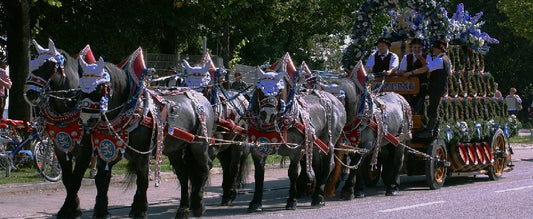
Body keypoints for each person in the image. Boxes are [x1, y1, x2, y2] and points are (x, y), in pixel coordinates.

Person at [404, 39, 451, 138]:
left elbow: (426, 69)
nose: (433, 49)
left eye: (435, 48)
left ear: (439, 49)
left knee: (433, 109)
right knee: (433, 107)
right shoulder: (446, 59)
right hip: (439, 86)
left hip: (436, 87)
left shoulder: (440, 60)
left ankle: (430, 131)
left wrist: (411, 73)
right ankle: (434, 130)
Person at [399, 38, 432, 113]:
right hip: (408, 82)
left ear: (422, 48)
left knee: (423, 90)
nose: (416, 49)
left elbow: (428, 68)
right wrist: (402, 73)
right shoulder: (406, 57)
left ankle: (416, 110)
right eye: (414, 47)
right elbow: (402, 70)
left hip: (422, 82)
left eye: (419, 47)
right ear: (411, 48)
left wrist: (421, 58)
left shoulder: (427, 57)